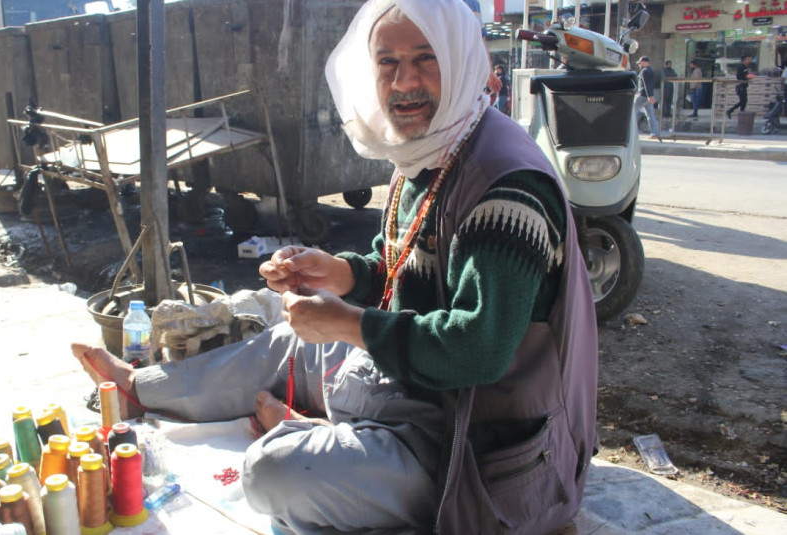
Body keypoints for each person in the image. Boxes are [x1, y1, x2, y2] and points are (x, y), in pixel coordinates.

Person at [72, 1, 599, 533]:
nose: (404, 82)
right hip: (414, 386)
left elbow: (478, 349)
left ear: (463, 59)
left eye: (425, 58)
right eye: (387, 62)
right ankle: (143, 389)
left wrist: (349, 323)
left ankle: (306, 435)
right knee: (290, 339)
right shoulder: (431, 149)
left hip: (470, 439)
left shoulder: (507, 187)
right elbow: (401, 267)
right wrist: (343, 273)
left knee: (274, 474)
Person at [636, 56, 660, 138]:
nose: (639, 64)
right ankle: (655, 133)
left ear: (644, 62)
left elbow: (646, 85)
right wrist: (651, 96)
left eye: (640, 62)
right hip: (649, 96)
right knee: (650, 115)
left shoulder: (644, 71)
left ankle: (627, 131)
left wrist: (649, 96)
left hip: (642, 95)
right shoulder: (651, 70)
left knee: (631, 113)